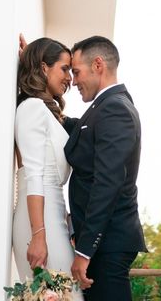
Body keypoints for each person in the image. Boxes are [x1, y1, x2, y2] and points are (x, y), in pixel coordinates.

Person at [64, 36, 147, 300]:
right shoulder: (107, 106)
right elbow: (83, 132)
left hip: (108, 243)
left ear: (98, 65)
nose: (73, 81)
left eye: (76, 72)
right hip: (106, 242)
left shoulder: (115, 109)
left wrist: (84, 251)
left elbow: (107, 183)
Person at [12, 37, 83, 300]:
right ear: (44, 68)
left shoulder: (46, 111)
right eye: (64, 69)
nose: (70, 78)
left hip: (52, 221)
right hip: (39, 224)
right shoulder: (32, 108)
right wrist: (39, 236)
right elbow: (34, 175)